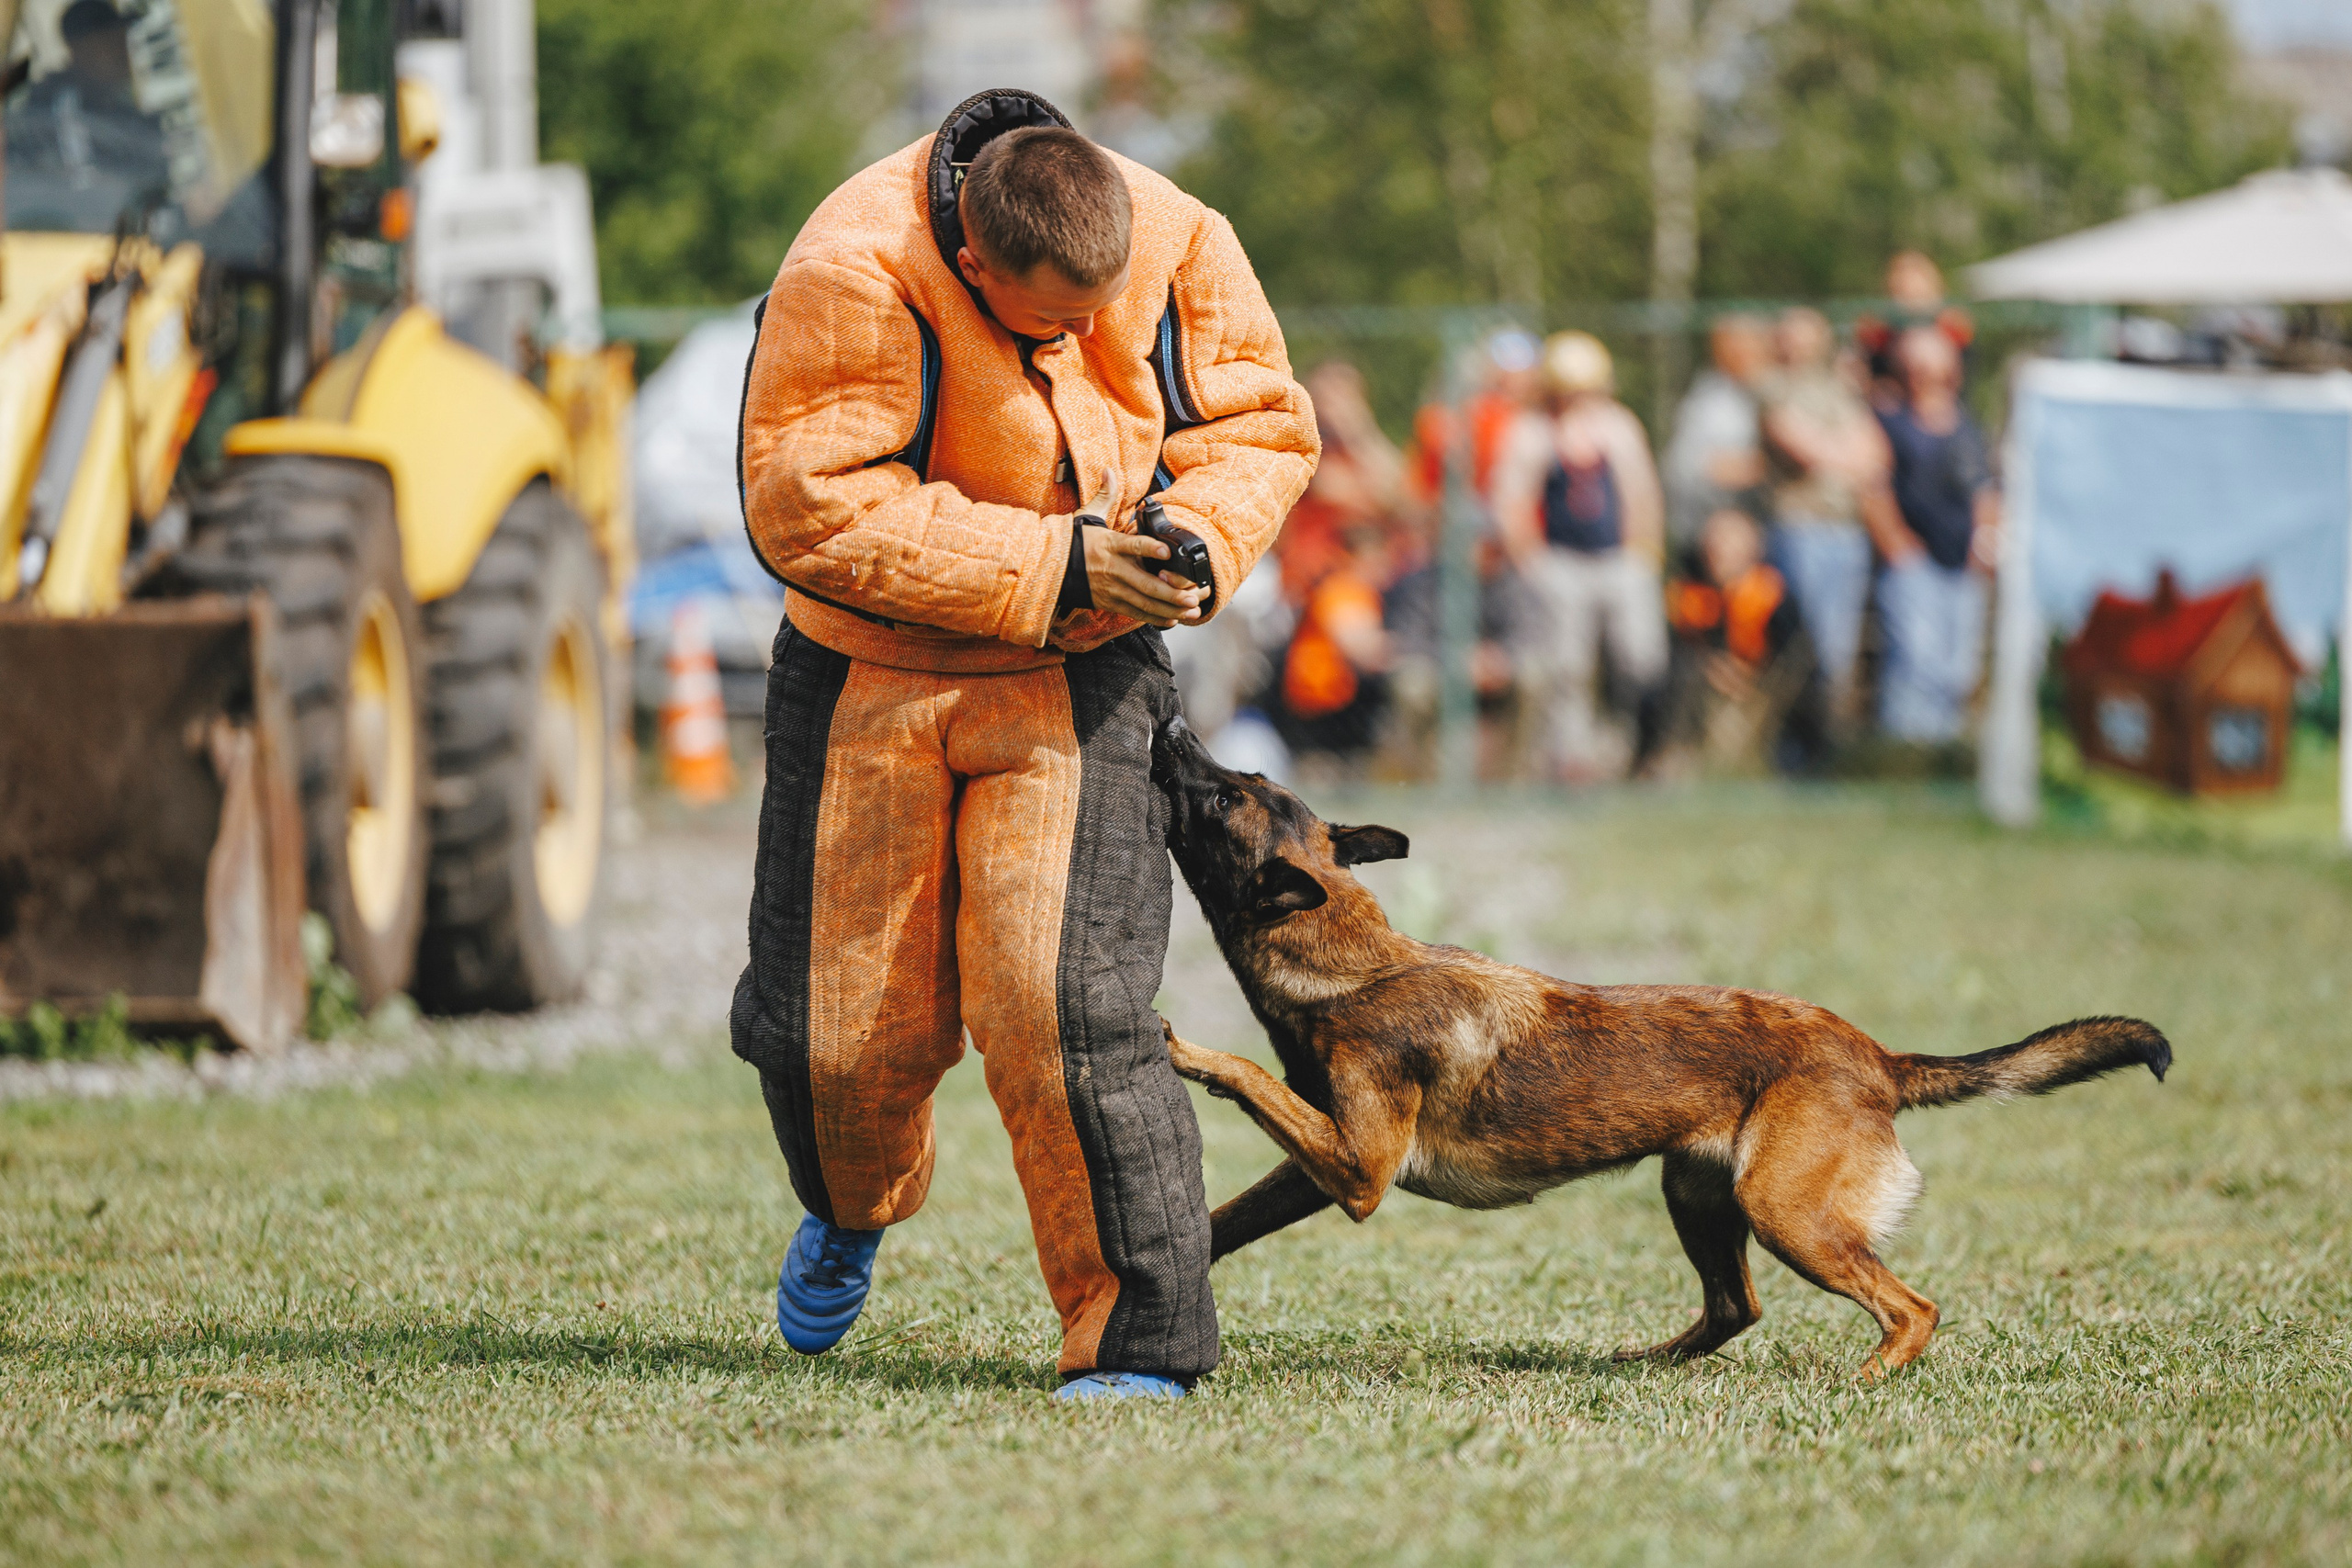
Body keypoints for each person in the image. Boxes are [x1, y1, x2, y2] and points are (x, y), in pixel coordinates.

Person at [732, 93, 1317, 1402]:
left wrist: (1189, 534)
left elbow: (1259, 425)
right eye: (1052, 322)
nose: (1081, 342)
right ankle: (851, 1203)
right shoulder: (853, 263)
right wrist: (1055, 560)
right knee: (835, 1038)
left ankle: (1137, 1338)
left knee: (1066, 1008)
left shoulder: (1177, 234)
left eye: (1097, 314)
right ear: (973, 263)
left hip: (1078, 670)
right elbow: (808, 504)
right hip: (865, 670)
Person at [1490, 332, 1668, 781]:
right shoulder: (1533, 430)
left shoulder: (1619, 427)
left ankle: (1639, 747)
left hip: (1621, 560)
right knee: (1568, 667)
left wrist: (1644, 554)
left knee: (1640, 658)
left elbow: (1642, 493)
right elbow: (1511, 500)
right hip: (1561, 563)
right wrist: (1532, 562)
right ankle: (1574, 758)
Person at [1756, 307, 1896, 735]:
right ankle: (1798, 740)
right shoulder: (1773, 387)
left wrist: (1833, 454)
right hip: (1800, 527)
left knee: (1839, 645)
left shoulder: (1839, 389)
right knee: (1805, 643)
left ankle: (1830, 738)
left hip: (1846, 531)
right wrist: (1845, 455)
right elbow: (1800, 446)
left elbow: (1877, 455)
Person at [1873, 326, 1998, 743]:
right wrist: (1897, 546)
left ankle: (1946, 753)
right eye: (1915, 366)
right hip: (1915, 566)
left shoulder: (1969, 427)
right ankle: (1908, 753)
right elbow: (1872, 485)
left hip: (1964, 566)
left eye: (1932, 366)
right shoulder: (1889, 419)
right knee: (1915, 662)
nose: (1924, 375)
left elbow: (1986, 493)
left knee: (1958, 668)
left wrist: (1984, 548)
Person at [1661, 507, 1823, 773]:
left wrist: (1750, 675)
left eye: (1728, 541)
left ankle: (1804, 758)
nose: (1719, 549)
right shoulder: (1690, 591)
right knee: (1679, 675)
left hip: (1765, 684)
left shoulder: (1772, 593)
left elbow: (1795, 656)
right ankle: (1674, 755)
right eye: (1714, 541)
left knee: (1808, 686)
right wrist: (1713, 668)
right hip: (1706, 681)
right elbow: (1679, 647)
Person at [1662, 314, 1770, 558]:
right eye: (1736, 348)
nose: (1746, 356)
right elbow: (1689, 467)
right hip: (1711, 532)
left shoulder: (1771, 392)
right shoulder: (1709, 403)